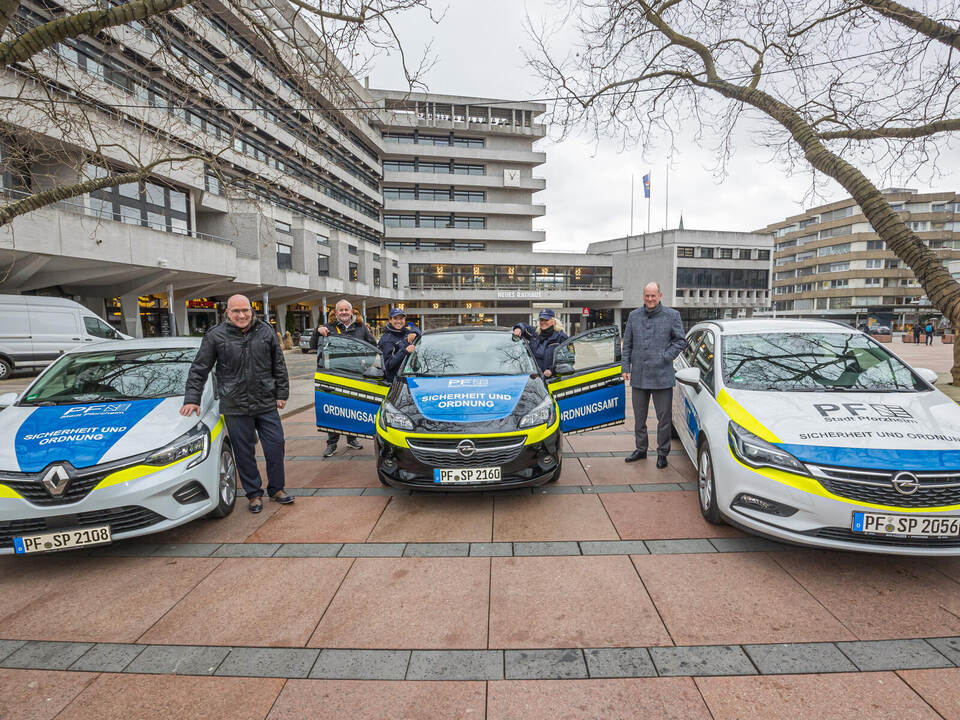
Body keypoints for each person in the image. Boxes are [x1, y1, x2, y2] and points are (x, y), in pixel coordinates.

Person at [181, 294, 292, 513]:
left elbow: (279, 365)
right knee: (243, 452)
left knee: (276, 445)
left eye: (245, 310)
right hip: (235, 404)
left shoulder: (266, 331)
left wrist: (282, 393)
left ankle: (277, 489)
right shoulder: (215, 335)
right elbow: (199, 369)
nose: (241, 315)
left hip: (265, 401)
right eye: (236, 311)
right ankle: (254, 494)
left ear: (251, 310)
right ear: (228, 313)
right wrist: (192, 399)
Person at [621, 282, 686, 469]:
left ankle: (662, 453)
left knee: (664, 419)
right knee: (639, 417)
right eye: (647, 296)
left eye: (653, 296)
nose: (650, 299)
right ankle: (641, 449)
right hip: (639, 375)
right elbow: (627, 344)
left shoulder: (672, 316)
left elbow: (680, 341)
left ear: (660, 296)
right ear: (643, 296)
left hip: (662, 375)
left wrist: (665, 356)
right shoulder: (634, 316)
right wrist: (625, 367)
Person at [311, 299, 376, 457]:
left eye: (347, 310)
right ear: (336, 312)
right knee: (333, 409)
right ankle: (331, 444)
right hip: (334, 375)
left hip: (355, 375)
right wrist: (317, 331)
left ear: (352, 311)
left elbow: (373, 347)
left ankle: (351, 439)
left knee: (352, 408)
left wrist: (365, 363)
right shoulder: (328, 327)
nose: (344, 312)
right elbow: (313, 345)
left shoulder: (361, 328)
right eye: (341, 310)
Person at [511, 308, 569, 377]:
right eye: (541, 320)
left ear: (553, 321)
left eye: (546, 320)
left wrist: (552, 370)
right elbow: (524, 326)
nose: (543, 322)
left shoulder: (562, 337)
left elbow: (568, 360)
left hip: (552, 379)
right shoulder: (535, 333)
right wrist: (518, 328)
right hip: (532, 377)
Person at [378, 308, 421, 382]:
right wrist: (405, 351)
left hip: (412, 376)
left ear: (404, 319)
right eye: (395, 318)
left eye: (401, 318)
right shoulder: (386, 340)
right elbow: (388, 365)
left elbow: (416, 329)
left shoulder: (406, 332)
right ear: (390, 320)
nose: (398, 321)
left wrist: (415, 332)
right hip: (396, 381)